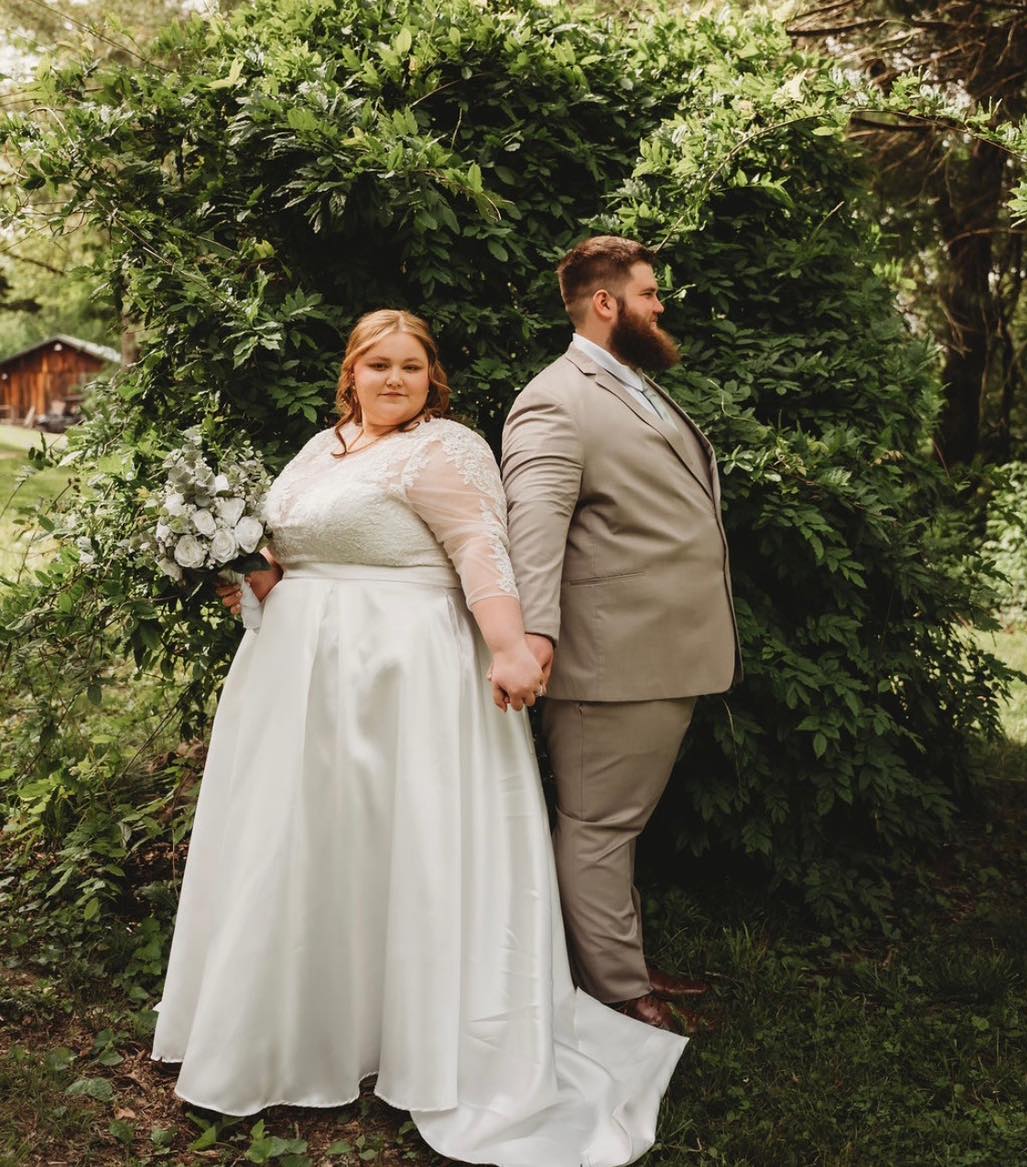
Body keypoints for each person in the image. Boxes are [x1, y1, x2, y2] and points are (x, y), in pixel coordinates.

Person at [151, 309, 687, 1166]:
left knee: (406, 846)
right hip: (300, 679)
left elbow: (482, 549)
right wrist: (255, 579)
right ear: (351, 373)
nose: (394, 380)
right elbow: (291, 549)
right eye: (378, 365)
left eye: (409, 366)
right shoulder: (319, 449)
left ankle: (426, 1035)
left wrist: (511, 646)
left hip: (404, 678)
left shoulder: (448, 448)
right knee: (308, 849)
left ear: (430, 376)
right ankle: (301, 1029)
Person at [501, 236, 741, 1033]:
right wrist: (535, 637)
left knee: (620, 823)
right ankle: (614, 992)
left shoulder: (627, 383)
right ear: (606, 303)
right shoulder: (554, 398)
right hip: (611, 660)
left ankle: (624, 960)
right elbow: (534, 526)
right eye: (649, 291)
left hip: (657, 651)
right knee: (599, 826)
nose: (660, 303)